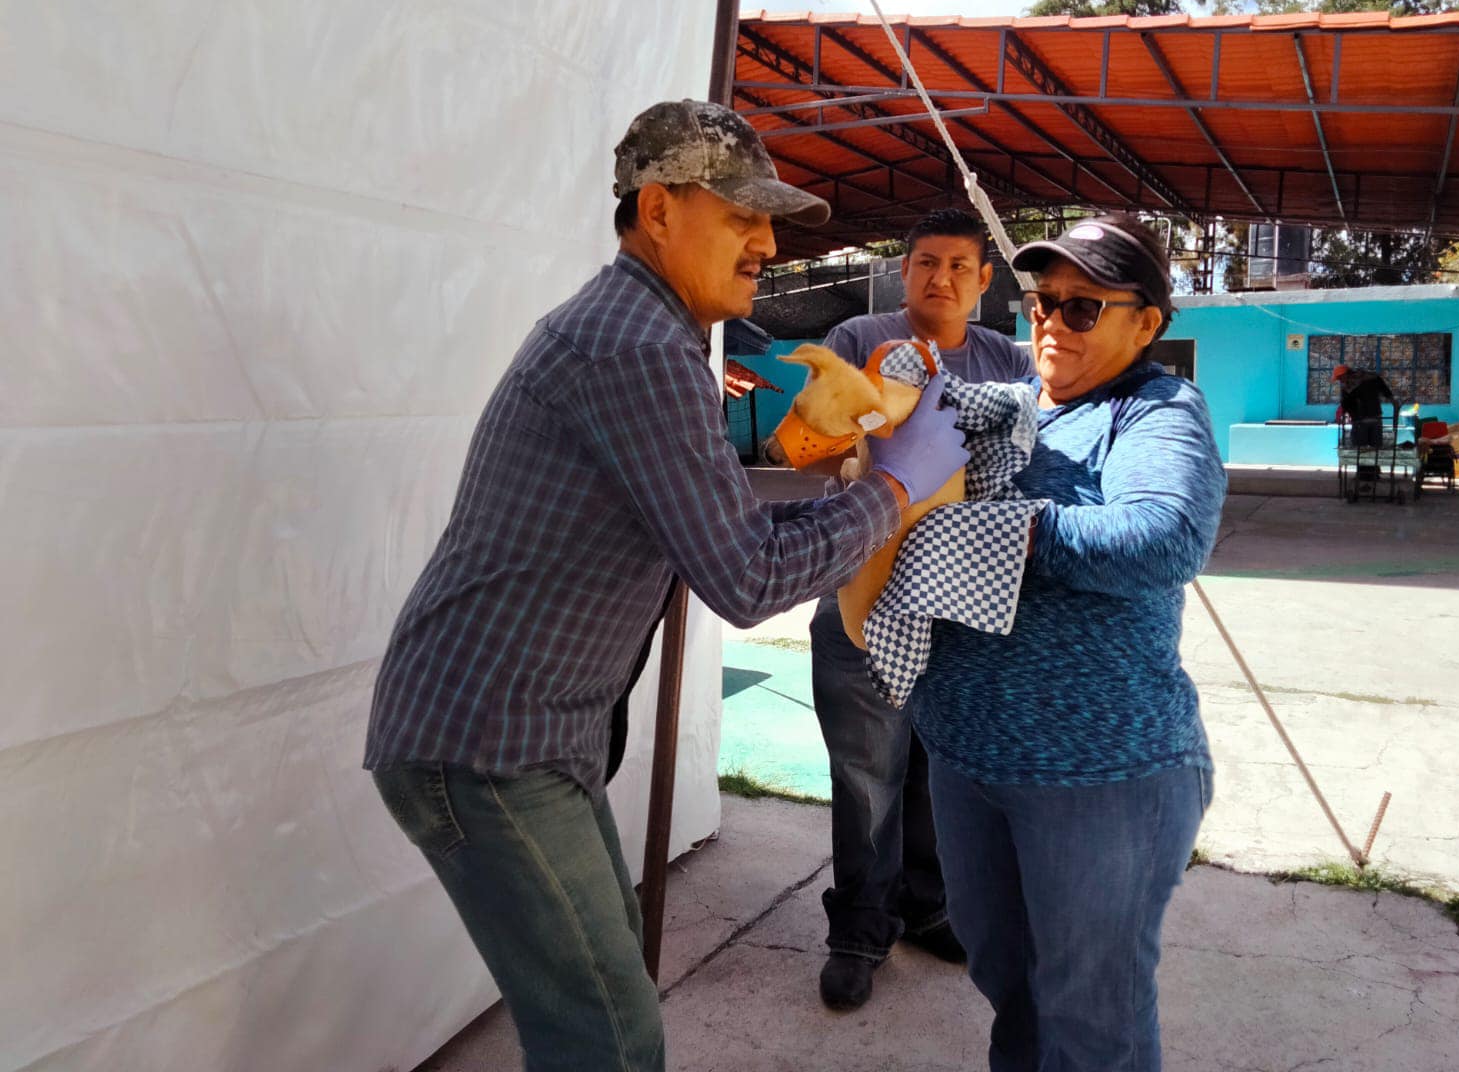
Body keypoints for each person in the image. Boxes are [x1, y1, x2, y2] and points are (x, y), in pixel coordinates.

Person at [363, 99, 970, 1072]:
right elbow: (746, 575)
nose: (767, 242)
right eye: (740, 216)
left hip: (523, 732)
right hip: (486, 742)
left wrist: (848, 485)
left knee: (600, 1019)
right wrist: (897, 484)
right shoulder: (636, 347)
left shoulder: (651, 336)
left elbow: (721, 529)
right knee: (607, 1036)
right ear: (657, 212)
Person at [912, 214, 1226, 1071]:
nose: (1051, 321)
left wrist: (995, 528)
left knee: (1092, 1023)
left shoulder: (1157, 410)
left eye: (1082, 308)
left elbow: (1163, 538)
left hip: (1101, 775)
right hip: (968, 759)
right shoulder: (1001, 410)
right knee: (1011, 989)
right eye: (1041, 301)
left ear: (1146, 323)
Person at [793, 208, 1034, 1011]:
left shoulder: (1007, 359)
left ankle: (928, 905)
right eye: (928, 263)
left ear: (983, 279)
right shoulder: (862, 336)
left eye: (960, 267)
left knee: (937, 764)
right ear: (905, 270)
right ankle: (860, 929)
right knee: (868, 772)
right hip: (864, 585)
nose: (943, 279)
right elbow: (813, 438)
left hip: (956, 601)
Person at [1332, 363, 1396, 447]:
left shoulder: (1347, 386)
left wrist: (1344, 414)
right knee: (1376, 449)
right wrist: (1393, 401)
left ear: (1344, 375)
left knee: (1360, 450)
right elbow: (1385, 390)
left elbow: (1345, 404)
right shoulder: (1372, 377)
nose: (1340, 381)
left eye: (1340, 378)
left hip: (1360, 421)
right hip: (1376, 417)